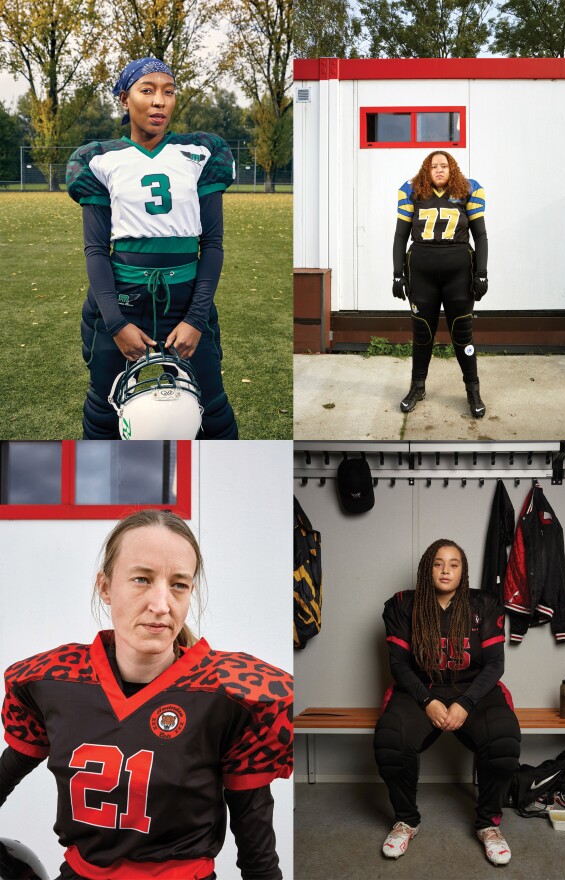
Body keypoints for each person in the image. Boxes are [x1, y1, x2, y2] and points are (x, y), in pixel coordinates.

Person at [1, 510, 292, 879]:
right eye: (141, 579)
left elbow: (256, 844)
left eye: (179, 585)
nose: (161, 605)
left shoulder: (230, 697)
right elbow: (9, 770)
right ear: (105, 587)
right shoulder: (53, 683)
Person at [66, 57, 238, 439]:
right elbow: (96, 250)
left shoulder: (201, 153)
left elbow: (212, 243)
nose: (160, 101)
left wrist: (195, 319)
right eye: (148, 91)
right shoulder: (99, 158)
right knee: (104, 408)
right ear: (125, 100)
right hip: (123, 300)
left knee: (212, 411)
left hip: (186, 298)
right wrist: (115, 324)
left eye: (169, 92)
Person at [373, 539, 521, 865]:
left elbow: (495, 664)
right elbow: (398, 665)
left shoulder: (484, 603)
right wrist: (427, 700)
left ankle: (488, 825)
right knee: (390, 739)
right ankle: (405, 820)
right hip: (420, 689)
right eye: (438, 563)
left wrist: (466, 702)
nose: (445, 570)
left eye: (454, 564)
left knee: (503, 738)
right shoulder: (402, 605)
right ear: (428, 568)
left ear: (463, 572)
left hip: (474, 691)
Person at [392, 151, 489, 418]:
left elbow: (480, 235)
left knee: (462, 332)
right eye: (433, 166)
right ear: (427, 169)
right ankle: (417, 387)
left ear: (452, 168)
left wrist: (481, 273)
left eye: (444, 166)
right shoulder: (412, 191)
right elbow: (400, 235)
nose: (438, 170)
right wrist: (397, 273)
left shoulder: (469, 190)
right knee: (422, 333)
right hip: (421, 275)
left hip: (458, 275)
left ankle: (472, 389)